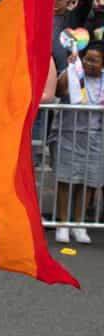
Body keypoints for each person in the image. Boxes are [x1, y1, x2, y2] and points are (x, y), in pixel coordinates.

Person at [52, 41, 104, 244]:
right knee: (66, 180)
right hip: (69, 134)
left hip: (95, 138)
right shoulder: (75, 71)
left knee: (88, 182)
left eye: (95, 61)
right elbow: (59, 91)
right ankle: (63, 224)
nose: (89, 63)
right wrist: (70, 68)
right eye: (87, 59)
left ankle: (79, 224)